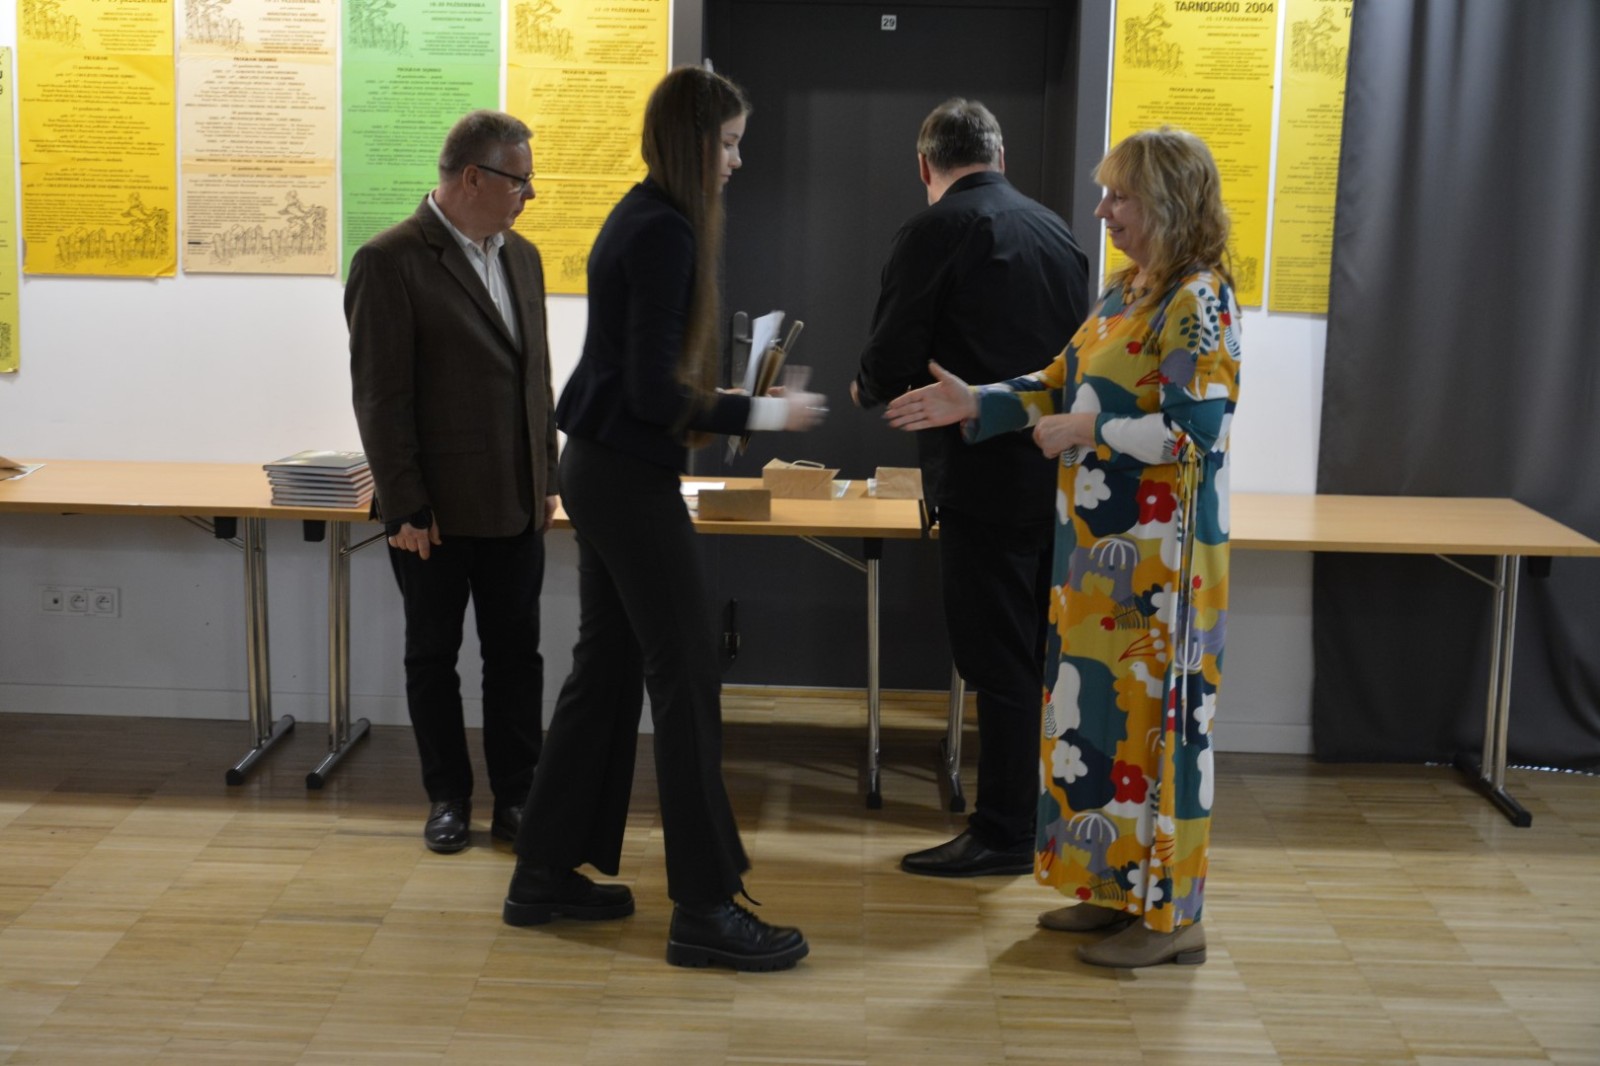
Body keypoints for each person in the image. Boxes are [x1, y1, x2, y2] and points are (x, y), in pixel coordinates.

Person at [885, 126, 1241, 968]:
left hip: (1164, 565)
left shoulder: (1199, 299)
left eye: (1120, 196)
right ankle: (1115, 894)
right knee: (1109, 730)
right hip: (1099, 554)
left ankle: (1172, 919)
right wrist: (978, 402)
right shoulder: (1128, 292)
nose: (1103, 210)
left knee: (1160, 738)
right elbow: (1057, 382)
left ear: (1169, 203)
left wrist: (1090, 431)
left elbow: (1195, 432)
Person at [501, 66, 826, 972]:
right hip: (623, 476)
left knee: (607, 670)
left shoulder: (645, 216)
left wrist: (729, 402)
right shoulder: (664, 231)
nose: (737, 161)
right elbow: (651, 393)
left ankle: (543, 872)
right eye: (728, 143)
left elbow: (642, 381)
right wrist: (765, 412)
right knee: (687, 676)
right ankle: (705, 908)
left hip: (604, 466)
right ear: (694, 142)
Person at [852, 98, 1089, 877]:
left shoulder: (936, 230)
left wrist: (865, 388)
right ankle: (1039, 821)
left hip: (981, 477)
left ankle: (1004, 833)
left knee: (996, 662)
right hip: (1059, 474)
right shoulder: (1057, 230)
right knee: (1037, 656)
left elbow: (892, 357)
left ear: (925, 165)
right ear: (1001, 156)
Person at [347, 110, 556, 855]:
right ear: (473, 177)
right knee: (433, 658)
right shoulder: (390, 260)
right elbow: (381, 397)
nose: (529, 194)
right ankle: (448, 797)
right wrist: (404, 503)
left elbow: (535, 376)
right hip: (430, 512)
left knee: (517, 657)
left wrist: (546, 475)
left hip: (515, 501)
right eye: (520, 180)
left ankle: (518, 798)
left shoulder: (522, 256)